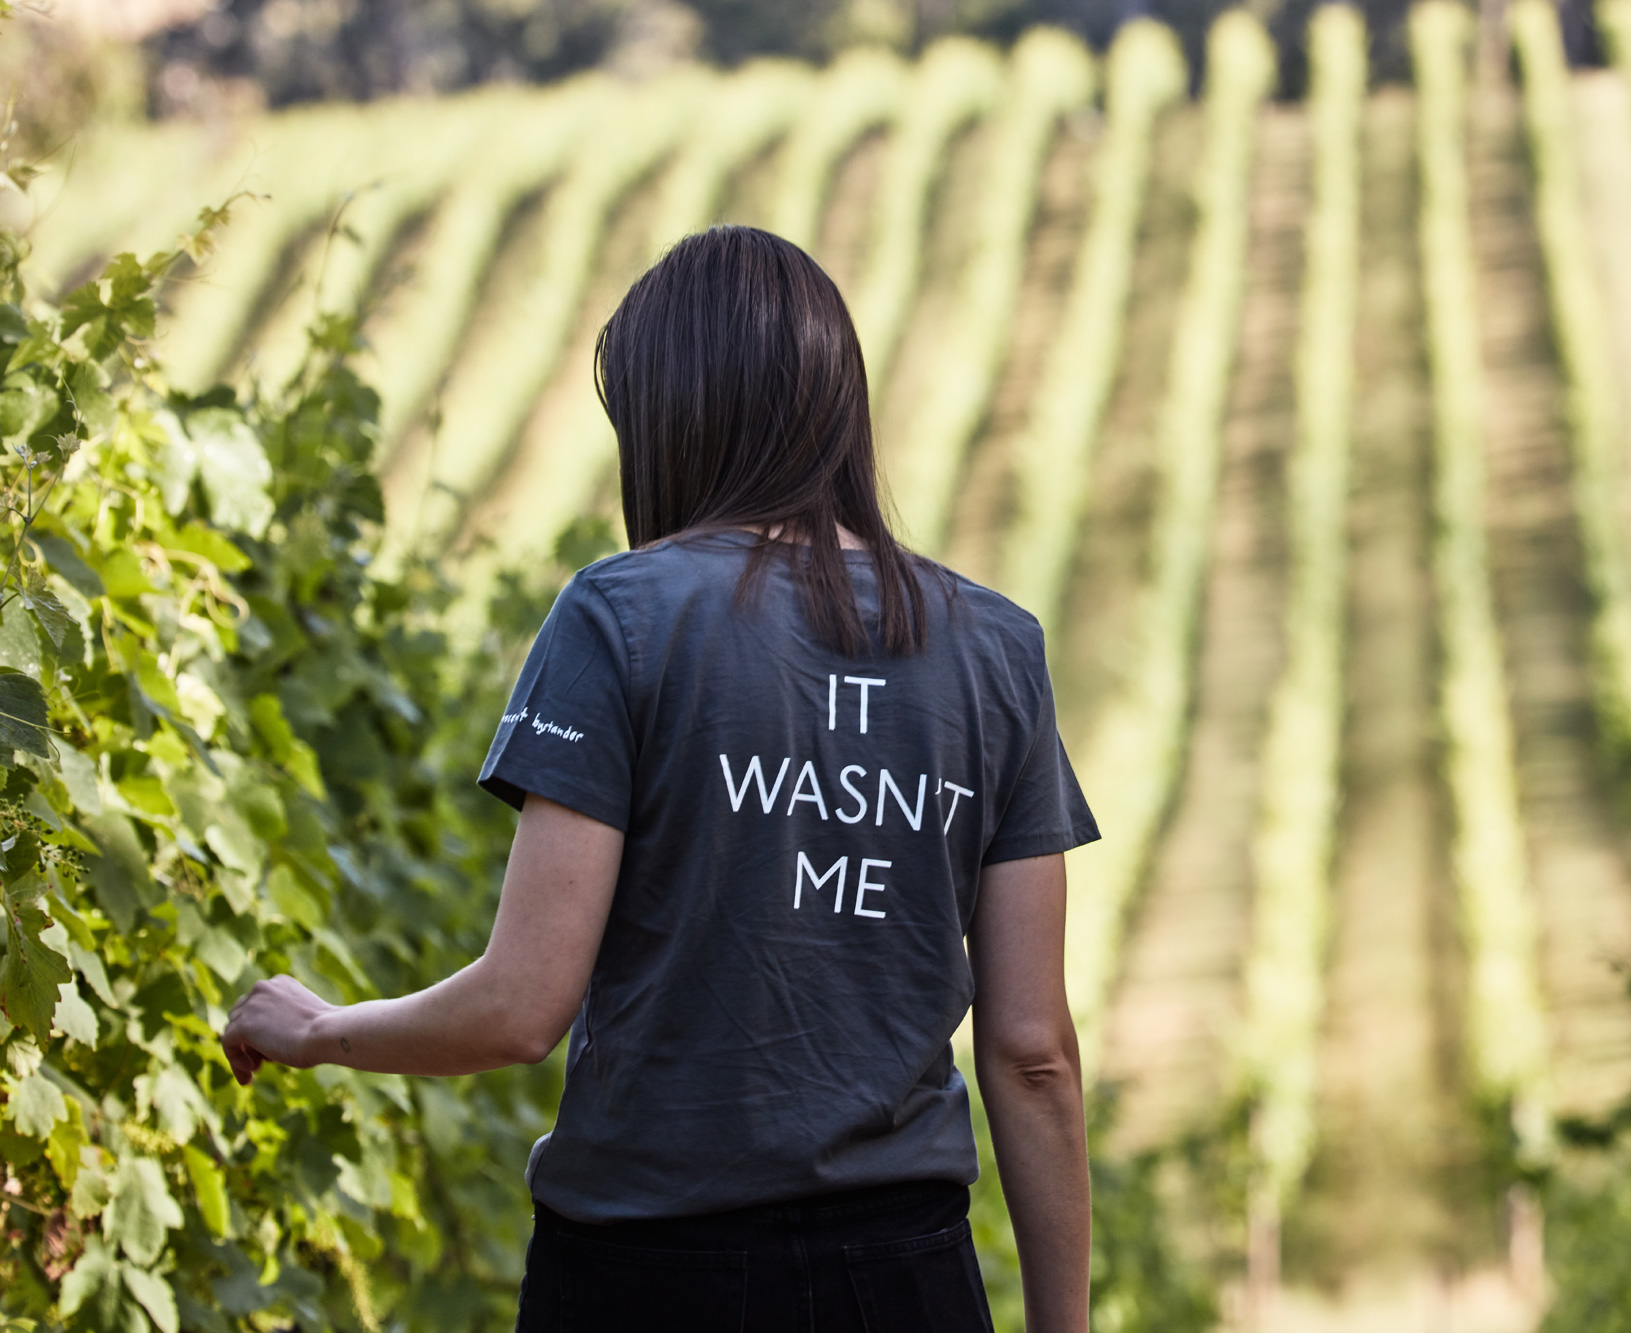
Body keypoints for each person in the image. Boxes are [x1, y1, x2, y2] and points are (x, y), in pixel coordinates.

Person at [221, 225, 1098, 1331]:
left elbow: (518, 1009)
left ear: (669, 417)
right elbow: (1031, 1053)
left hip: (646, 1274)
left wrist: (318, 1029)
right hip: (904, 1279)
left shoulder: (621, 616)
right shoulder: (994, 648)